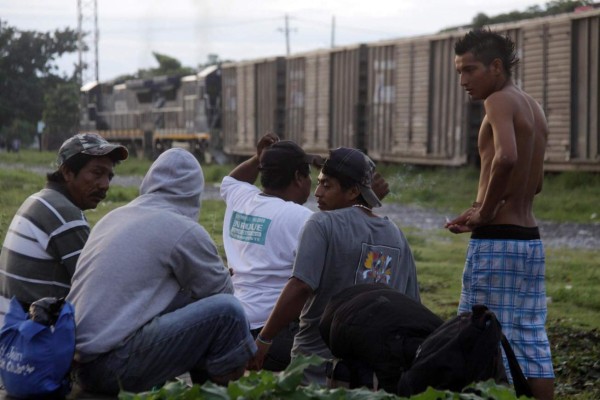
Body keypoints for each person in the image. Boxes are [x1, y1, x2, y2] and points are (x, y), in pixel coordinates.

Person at [67, 148, 256, 395]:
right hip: (113, 365)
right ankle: (216, 394)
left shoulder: (114, 217)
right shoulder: (182, 228)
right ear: (194, 191)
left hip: (77, 363)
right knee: (228, 314)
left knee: (197, 304)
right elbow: (224, 294)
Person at [249, 147, 420, 386]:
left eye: (327, 185)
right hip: (371, 374)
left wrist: (264, 340)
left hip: (316, 367)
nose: (317, 192)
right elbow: (411, 303)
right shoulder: (396, 235)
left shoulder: (321, 224)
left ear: (352, 191)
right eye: (318, 183)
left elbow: (300, 286)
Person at [445, 28, 554, 400]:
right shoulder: (532, 107)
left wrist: (486, 212)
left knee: (476, 336)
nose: (463, 81)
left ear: (496, 66)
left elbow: (506, 158)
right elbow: (534, 183)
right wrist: (477, 208)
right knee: (529, 339)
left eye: (469, 70)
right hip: (528, 244)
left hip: (497, 244)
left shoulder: (498, 102)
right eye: (459, 71)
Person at [0, 132, 128, 324]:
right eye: (97, 173)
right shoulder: (63, 213)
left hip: (14, 333)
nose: (105, 185)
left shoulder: (39, 199)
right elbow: (102, 289)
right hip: (36, 342)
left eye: (109, 176)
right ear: (68, 172)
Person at [220, 133, 321, 371]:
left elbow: (230, 181)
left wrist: (257, 158)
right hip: (272, 333)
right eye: (309, 176)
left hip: (235, 323)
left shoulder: (242, 199)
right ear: (298, 177)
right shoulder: (302, 218)